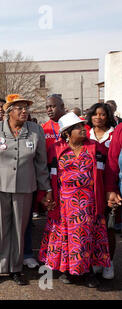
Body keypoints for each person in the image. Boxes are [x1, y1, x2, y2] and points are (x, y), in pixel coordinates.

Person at [0, 94, 52, 286]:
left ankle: (15, 268)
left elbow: (41, 163)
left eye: (25, 108)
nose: (24, 111)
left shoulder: (35, 131)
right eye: (19, 108)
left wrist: (47, 189)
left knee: (20, 229)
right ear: (9, 112)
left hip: (24, 188)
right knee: (0, 229)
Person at [39, 112, 111, 288]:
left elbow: (106, 173)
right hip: (64, 203)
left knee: (87, 238)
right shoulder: (55, 150)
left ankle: (88, 272)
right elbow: (47, 175)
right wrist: (47, 195)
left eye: (82, 126)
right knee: (66, 238)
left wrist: (109, 193)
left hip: (89, 202)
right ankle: (66, 271)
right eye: (78, 127)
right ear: (67, 133)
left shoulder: (96, 148)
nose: (83, 129)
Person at [86, 103, 117, 279]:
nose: (99, 117)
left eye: (103, 114)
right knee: (92, 226)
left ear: (108, 116)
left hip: (110, 187)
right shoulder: (84, 133)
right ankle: (96, 260)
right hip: (89, 189)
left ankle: (109, 262)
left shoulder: (114, 134)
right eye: (95, 114)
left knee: (109, 227)